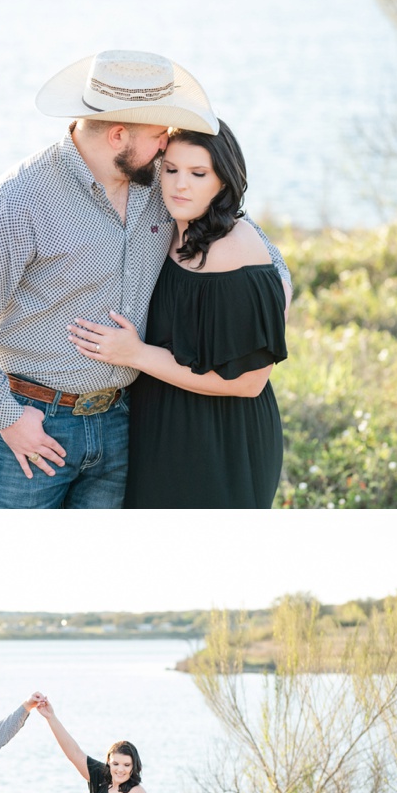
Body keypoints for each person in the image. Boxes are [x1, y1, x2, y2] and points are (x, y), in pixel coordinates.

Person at [0, 49, 291, 509]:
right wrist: (9, 418)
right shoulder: (20, 202)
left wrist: (273, 287)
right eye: (159, 136)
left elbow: (240, 231)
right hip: (36, 423)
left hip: (125, 421)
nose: (167, 146)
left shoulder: (161, 179)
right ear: (119, 135)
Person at [68, 120, 288, 508]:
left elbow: (250, 381)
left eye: (198, 173)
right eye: (170, 170)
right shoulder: (170, 226)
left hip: (219, 437)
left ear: (223, 181)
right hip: (159, 423)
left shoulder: (233, 250)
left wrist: (135, 354)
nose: (179, 184)